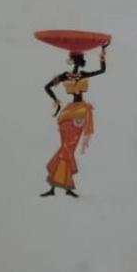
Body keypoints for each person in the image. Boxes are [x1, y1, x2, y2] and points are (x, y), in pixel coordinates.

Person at [42, 42, 108, 198]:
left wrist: (102, 52)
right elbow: (47, 87)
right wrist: (56, 102)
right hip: (70, 114)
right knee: (66, 150)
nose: (77, 62)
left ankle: (56, 186)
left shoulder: (80, 75)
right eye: (76, 59)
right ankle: (63, 187)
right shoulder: (65, 76)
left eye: (78, 59)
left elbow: (102, 70)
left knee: (66, 150)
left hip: (79, 113)